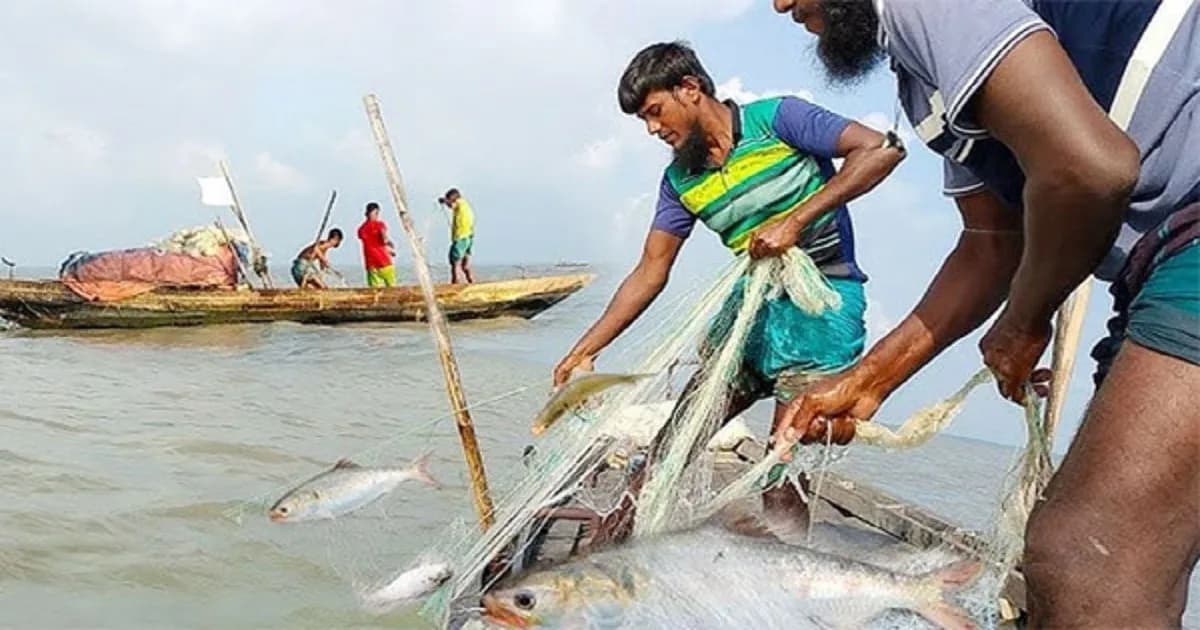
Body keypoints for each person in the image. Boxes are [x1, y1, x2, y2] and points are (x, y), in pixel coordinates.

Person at [770, 0, 1199, 625]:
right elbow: (992, 245)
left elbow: (1089, 169)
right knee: (1132, 549)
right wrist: (867, 382)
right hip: (1156, 266)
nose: (781, 4)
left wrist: (1024, 320)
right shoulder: (926, 79)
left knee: (1088, 555)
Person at [552, 41, 904, 540]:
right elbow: (650, 271)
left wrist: (795, 221)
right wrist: (585, 348)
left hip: (822, 307)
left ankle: (787, 592)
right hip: (750, 313)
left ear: (690, 89)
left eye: (655, 112)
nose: (654, 129)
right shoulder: (680, 180)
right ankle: (608, 560)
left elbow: (882, 149)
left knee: (778, 466)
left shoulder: (778, 120)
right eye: (644, 121)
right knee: (673, 442)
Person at [357, 202, 397, 288]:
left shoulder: (361, 229)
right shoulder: (379, 225)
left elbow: (371, 242)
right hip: (384, 261)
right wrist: (389, 244)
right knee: (392, 287)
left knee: (375, 290)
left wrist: (387, 247)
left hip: (371, 263)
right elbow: (383, 239)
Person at [440, 188, 475, 284]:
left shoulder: (458, 203)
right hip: (469, 237)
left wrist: (444, 201)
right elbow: (452, 204)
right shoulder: (465, 204)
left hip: (460, 238)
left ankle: (455, 286)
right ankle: (472, 283)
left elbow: (451, 204)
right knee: (465, 265)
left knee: (456, 264)